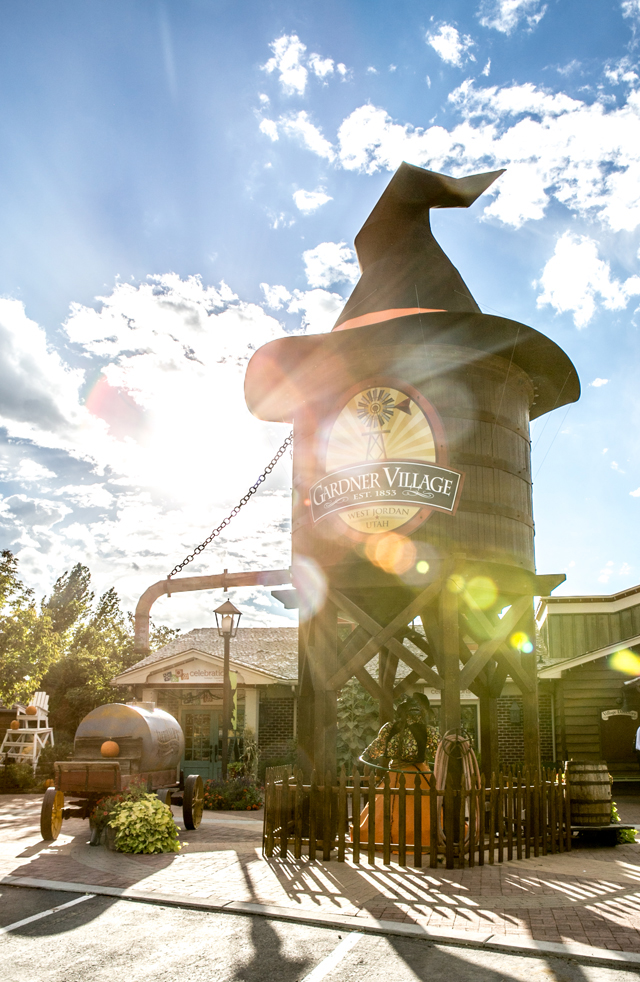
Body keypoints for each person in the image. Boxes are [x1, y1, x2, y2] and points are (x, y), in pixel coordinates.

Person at [356, 693, 439, 848]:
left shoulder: (391, 728)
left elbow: (377, 746)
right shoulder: (428, 730)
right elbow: (439, 753)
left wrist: (365, 757)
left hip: (398, 774)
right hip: (417, 774)